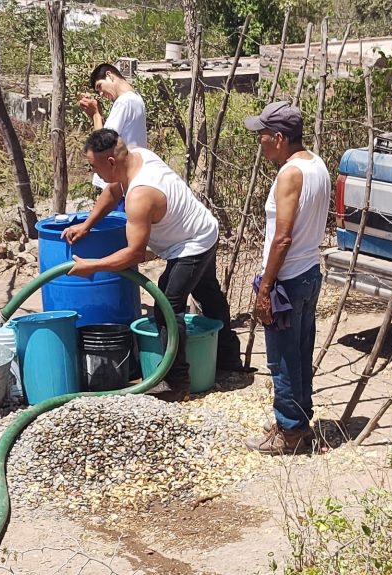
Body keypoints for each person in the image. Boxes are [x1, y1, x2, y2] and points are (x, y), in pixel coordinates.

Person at [63, 128, 244, 402]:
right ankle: (229, 360)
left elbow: (134, 254)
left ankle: (177, 382)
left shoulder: (140, 195)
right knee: (208, 294)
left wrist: (93, 266)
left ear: (111, 162)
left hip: (192, 243)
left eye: (94, 167)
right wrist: (87, 225)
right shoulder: (138, 157)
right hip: (203, 227)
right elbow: (113, 192)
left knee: (167, 307)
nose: (94, 174)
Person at [242, 101, 331, 454]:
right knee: (300, 353)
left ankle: (291, 434)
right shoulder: (317, 164)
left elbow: (282, 237)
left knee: (281, 359)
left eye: (262, 136)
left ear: (278, 138)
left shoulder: (290, 174)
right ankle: (295, 419)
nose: (259, 142)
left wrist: (265, 288)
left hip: (289, 278)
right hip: (308, 272)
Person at [78, 63, 147, 210]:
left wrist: (96, 115)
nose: (101, 94)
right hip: (129, 182)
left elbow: (102, 144)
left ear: (109, 75)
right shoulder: (136, 99)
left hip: (119, 187)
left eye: (99, 87)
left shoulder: (124, 101)